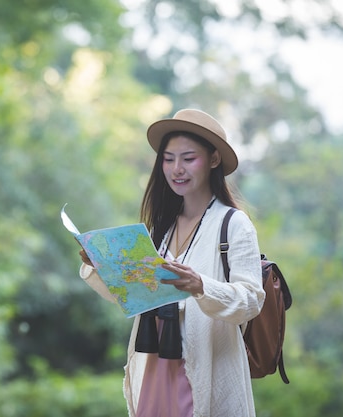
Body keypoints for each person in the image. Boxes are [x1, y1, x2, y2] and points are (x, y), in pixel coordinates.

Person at [78, 109, 266, 417]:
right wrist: (102, 266)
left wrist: (201, 286)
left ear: (214, 160)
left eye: (188, 158)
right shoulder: (160, 227)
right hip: (156, 362)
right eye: (168, 159)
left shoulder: (234, 224)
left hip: (206, 366)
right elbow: (138, 294)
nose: (176, 169)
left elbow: (251, 301)